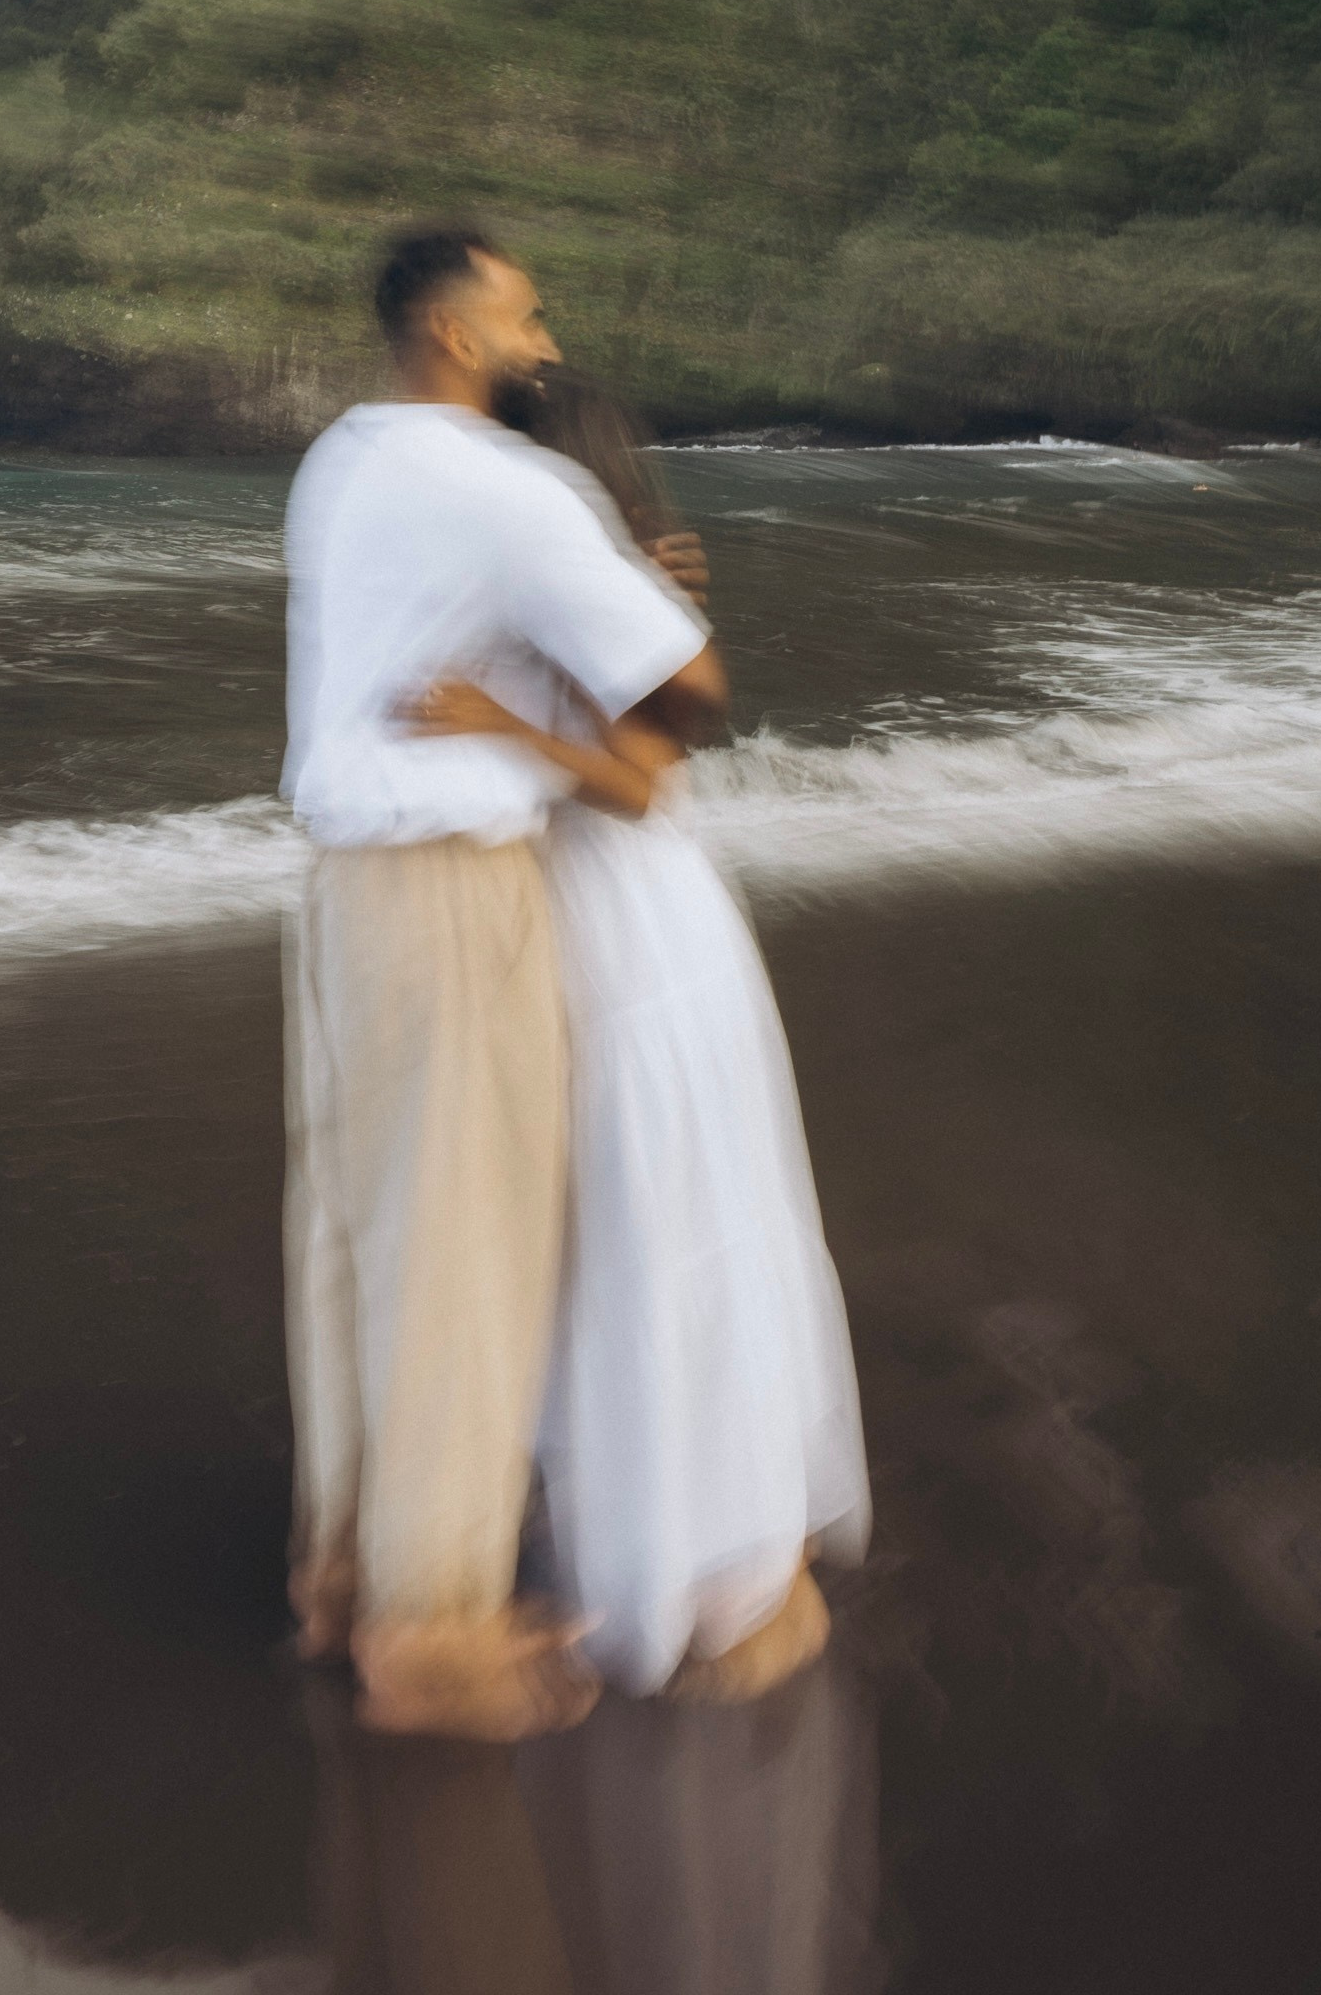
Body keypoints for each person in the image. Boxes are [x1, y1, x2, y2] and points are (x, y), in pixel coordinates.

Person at [281, 231, 727, 1743]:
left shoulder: (344, 463)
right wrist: (640, 575)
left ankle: (341, 1574)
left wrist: (603, 578)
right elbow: (691, 696)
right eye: (527, 313)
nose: (546, 336)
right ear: (459, 336)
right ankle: (434, 1632)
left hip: (342, 889)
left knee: (352, 1234)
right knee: (462, 1251)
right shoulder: (512, 489)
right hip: (457, 890)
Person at [402, 368, 871, 1700]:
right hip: (564, 927)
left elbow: (638, 787)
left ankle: (698, 1556)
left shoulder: (608, 585)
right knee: (597, 1235)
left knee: (648, 1231)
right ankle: (636, 1517)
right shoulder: (567, 568)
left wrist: (495, 721)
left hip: (630, 935)